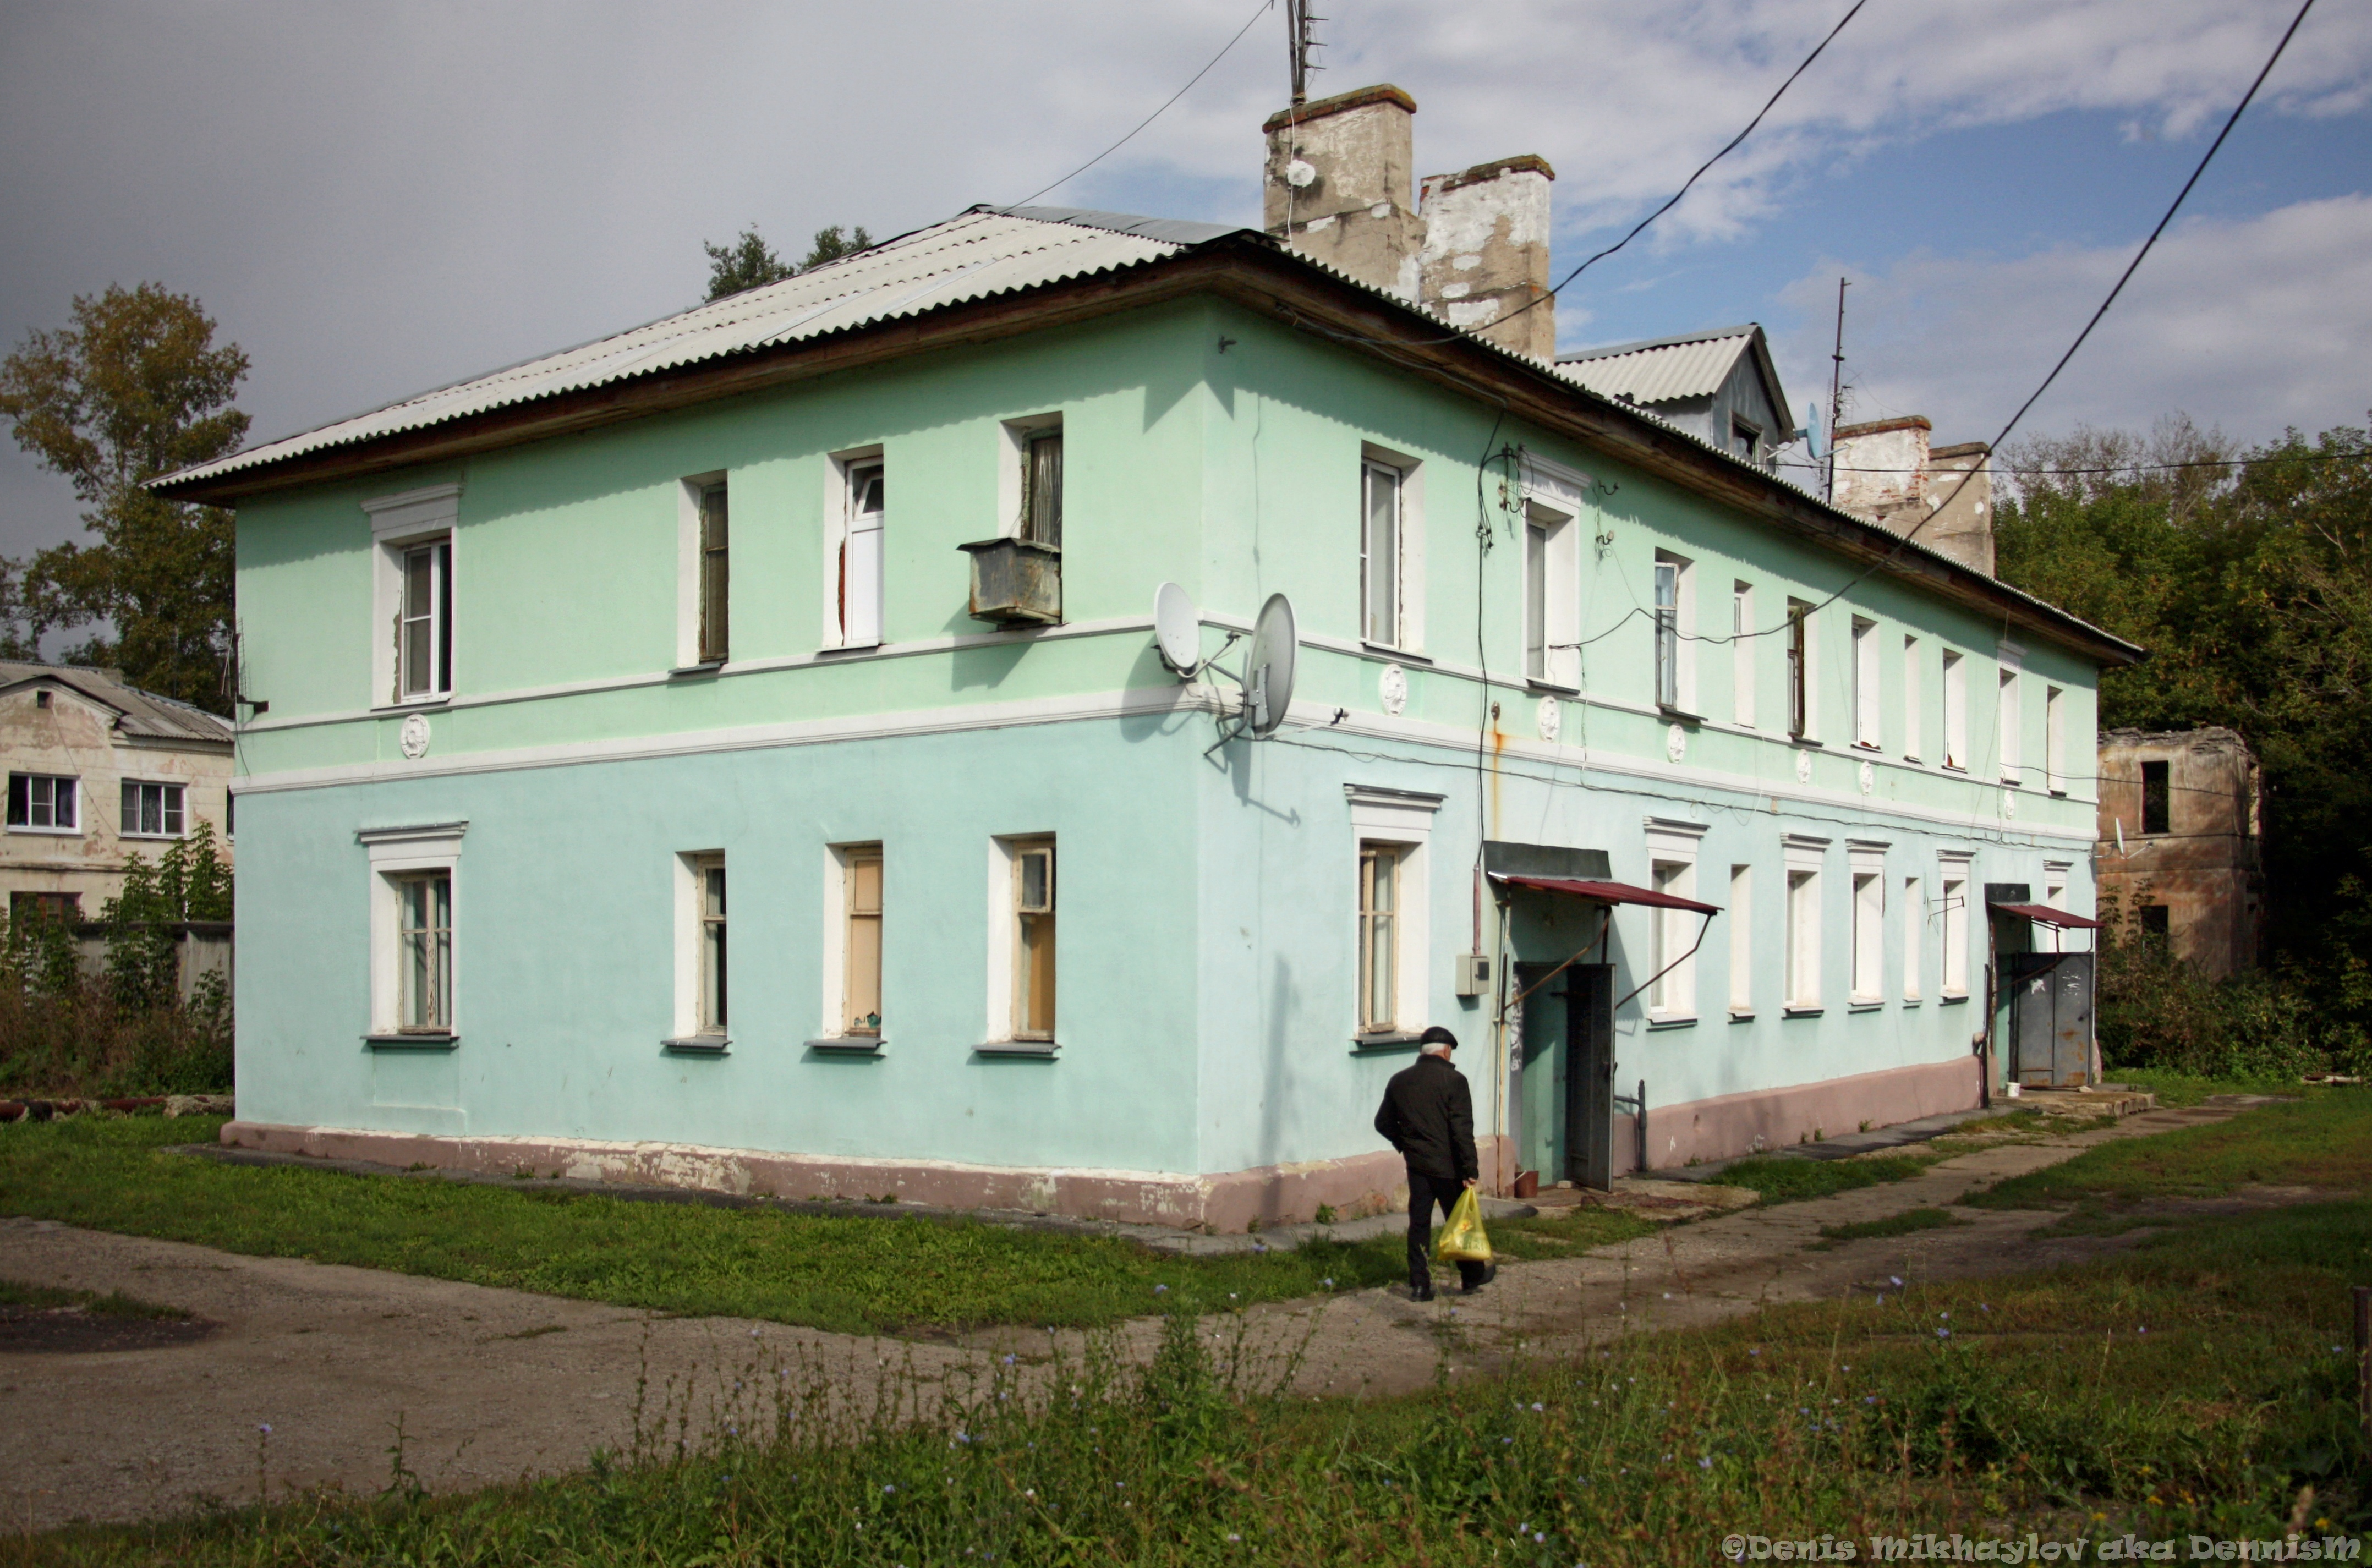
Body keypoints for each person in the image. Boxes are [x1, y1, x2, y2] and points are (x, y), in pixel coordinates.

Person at [1372, 1025, 1497, 1300]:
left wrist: (1404, 1143)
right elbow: (1461, 1128)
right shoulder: (1454, 1081)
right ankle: (1472, 1276)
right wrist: (1470, 1169)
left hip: (1417, 1165)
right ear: (1446, 1051)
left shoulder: (1400, 1080)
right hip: (1448, 1166)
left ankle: (1419, 1285)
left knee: (1419, 1223)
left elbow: (1383, 1123)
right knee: (1459, 1220)